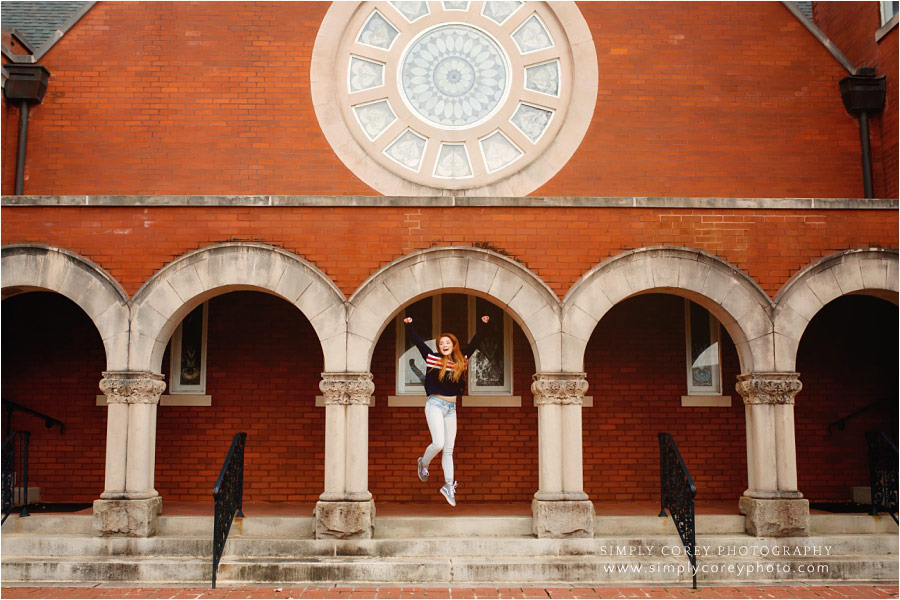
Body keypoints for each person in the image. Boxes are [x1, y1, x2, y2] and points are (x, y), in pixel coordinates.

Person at [403, 314, 490, 506]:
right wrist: (409, 326)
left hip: (452, 408)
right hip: (435, 404)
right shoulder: (432, 358)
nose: (443, 345)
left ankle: (448, 485)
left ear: (453, 344)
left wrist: (483, 325)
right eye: (441, 343)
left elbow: (476, 342)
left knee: (448, 449)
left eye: (447, 342)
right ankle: (423, 464)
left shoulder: (461, 360)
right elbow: (418, 343)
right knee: (439, 443)